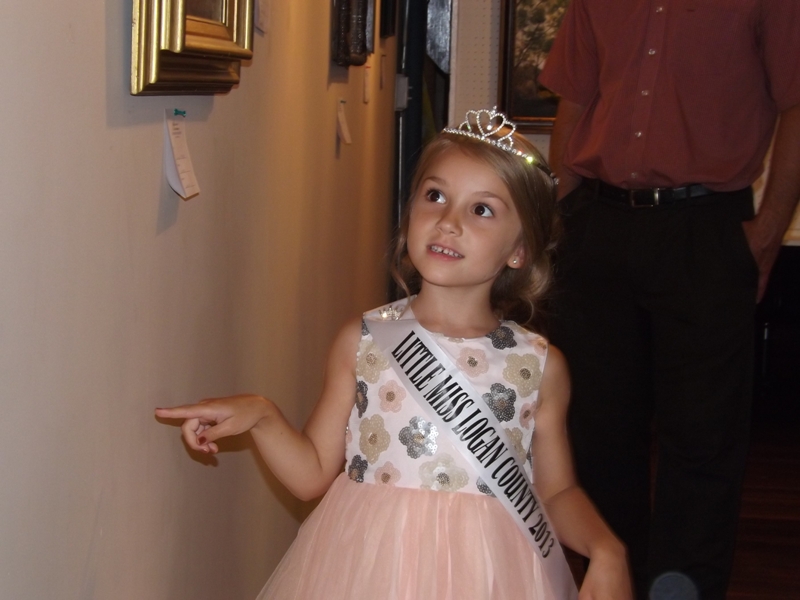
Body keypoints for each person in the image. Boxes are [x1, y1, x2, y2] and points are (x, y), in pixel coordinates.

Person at [155, 108, 633, 600]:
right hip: (368, 568)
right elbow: (312, 474)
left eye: (482, 209)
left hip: (491, 574)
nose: (448, 222)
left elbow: (557, 492)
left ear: (520, 249)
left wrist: (605, 547)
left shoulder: (539, 365)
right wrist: (262, 416)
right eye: (435, 196)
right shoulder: (362, 340)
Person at [539, 2, 800, 598]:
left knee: (703, 441)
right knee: (597, 432)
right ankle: (614, 584)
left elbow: (796, 104)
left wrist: (767, 234)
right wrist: (562, 219)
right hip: (597, 224)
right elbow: (574, 101)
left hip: (706, 229)